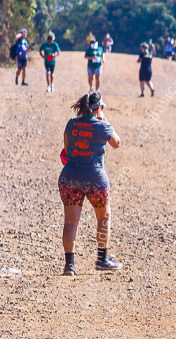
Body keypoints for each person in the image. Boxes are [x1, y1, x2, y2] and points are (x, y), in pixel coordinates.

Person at [58, 91, 123, 275]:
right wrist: (104, 119)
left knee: (70, 221)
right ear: (98, 108)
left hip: (70, 177)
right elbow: (117, 143)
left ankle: (69, 265)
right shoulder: (103, 126)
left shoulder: (71, 124)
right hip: (95, 179)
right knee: (104, 217)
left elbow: (66, 149)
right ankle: (102, 259)